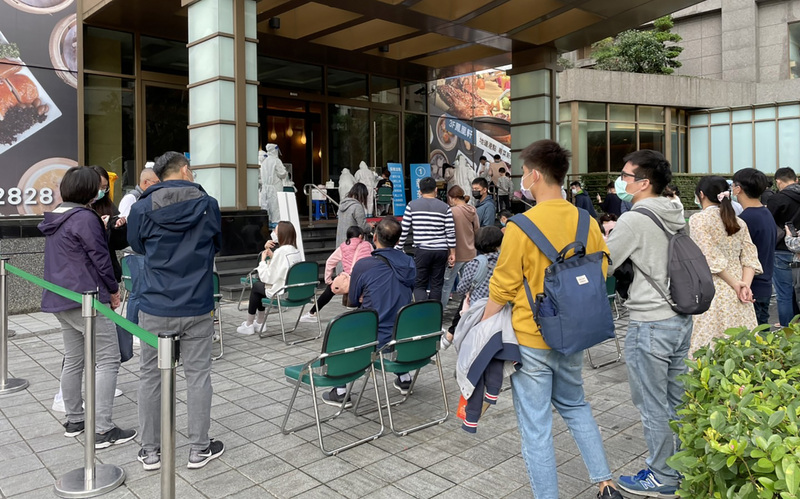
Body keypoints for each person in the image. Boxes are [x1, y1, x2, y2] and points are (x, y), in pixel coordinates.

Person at [482, 140, 622, 499]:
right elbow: (602, 269)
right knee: (575, 405)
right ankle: (606, 484)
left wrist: (482, 327)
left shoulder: (520, 226)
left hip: (532, 338)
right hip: (574, 333)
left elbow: (502, 287)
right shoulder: (587, 221)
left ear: (534, 175)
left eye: (524, 173)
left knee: (537, 427)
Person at [127, 151, 224, 471]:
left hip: (156, 303)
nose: (193, 174)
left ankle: (150, 451)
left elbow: (138, 246)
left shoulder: (141, 207)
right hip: (197, 302)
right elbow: (217, 244)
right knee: (198, 376)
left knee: (150, 376)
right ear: (183, 170)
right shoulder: (208, 205)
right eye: (191, 169)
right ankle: (199, 448)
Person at [605, 149, 692, 496]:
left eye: (625, 176)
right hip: (679, 317)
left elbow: (605, 264)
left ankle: (662, 476)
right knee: (677, 400)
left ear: (643, 183)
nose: (621, 181)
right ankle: (684, 467)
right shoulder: (675, 211)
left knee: (652, 404)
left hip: (650, 322)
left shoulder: (634, 219)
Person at [39, 166, 136, 448]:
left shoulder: (57, 215)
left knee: (74, 358)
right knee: (108, 359)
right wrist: (113, 290)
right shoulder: (84, 217)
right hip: (88, 298)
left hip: (61, 297)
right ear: (87, 189)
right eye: (98, 186)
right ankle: (103, 429)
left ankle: (75, 419)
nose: (101, 190)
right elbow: (100, 258)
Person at [322, 217, 416, 406]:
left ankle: (340, 390)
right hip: (403, 334)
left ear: (374, 238)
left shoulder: (364, 265)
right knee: (391, 318)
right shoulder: (409, 262)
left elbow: (353, 300)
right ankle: (404, 377)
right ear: (398, 240)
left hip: (373, 335)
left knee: (342, 330)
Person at [689, 176, 761, 354]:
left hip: (712, 290)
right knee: (742, 348)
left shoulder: (698, 220)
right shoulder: (739, 222)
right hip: (740, 293)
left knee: (709, 348)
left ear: (701, 194)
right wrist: (744, 286)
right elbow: (750, 258)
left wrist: (737, 284)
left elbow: (709, 257)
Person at [117, 167, 160, 363]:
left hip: (146, 252)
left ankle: (140, 327)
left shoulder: (149, 198)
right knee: (137, 291)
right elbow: (126, 226)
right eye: (156, 182)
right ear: (146, 183)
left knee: (143, 291)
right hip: (135, 253)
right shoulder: (131, 199)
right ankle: (132, 330)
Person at [396, 176, 456, 302]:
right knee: (437, 285)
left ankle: (423, 311)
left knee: (420, 285)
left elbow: (404, 229)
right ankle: (434, 312)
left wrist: (399, 247)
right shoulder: (445, 207)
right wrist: (452, 253)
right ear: (436, 190)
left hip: (422, 250)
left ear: (420, 191)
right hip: (441, 251)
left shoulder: (412, 205)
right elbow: (450, 232)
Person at [237, 221, 302, 335]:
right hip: (296, 291)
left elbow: (267, 278)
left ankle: (249, 324)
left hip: (282, 291)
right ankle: (259, 322)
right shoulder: (295, 250)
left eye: (275, 230)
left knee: (257, 286)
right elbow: (281, 268)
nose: (273, 233)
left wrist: (262, 261)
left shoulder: (281, 252)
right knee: (260, 288)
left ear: (281, 234)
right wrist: (272, 256)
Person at [300, 225, 372, 323]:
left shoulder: (343, 247)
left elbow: (330, 262)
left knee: (330, 289)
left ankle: (312, 313)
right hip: (365, 279)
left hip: (348, 280)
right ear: (360, 236)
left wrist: (328, 280)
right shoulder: (367, 245)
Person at [732, 168, 776, 326]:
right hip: (764, 284)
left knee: (750, 335)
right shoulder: (766, 213)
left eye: (733, 186)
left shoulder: (745, 219)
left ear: (738, 189)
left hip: (749, 287)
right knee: (761, 333)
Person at [766, 167, 800, 327]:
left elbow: (769, 224)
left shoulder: (776, 199)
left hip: (781, 250)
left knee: (784, 294)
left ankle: (788, 330)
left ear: (778, 181)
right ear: (796, 180)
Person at [440, 186, 479, 307]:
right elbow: (477, 230)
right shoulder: (472, 210)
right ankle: (468, 310)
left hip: (456, 254)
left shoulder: (452, 211)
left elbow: (447, 231)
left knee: (447, 285)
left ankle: (439, 312)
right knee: (469, 286)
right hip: (471, 253)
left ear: (453, 198)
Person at [259, 144, 287, 226]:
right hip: (275, 188)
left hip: (265, 188)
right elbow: (282, 173)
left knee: (267, 206)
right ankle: (276, 225)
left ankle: (268, 223)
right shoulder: (276, 161)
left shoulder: (264, 161)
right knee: (276, 207)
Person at [336, 183, 372, 247]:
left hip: (341, 243)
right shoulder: (357, 207)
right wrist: (370, 226)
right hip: (352, 244)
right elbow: (363, 227)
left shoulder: (342, 205)